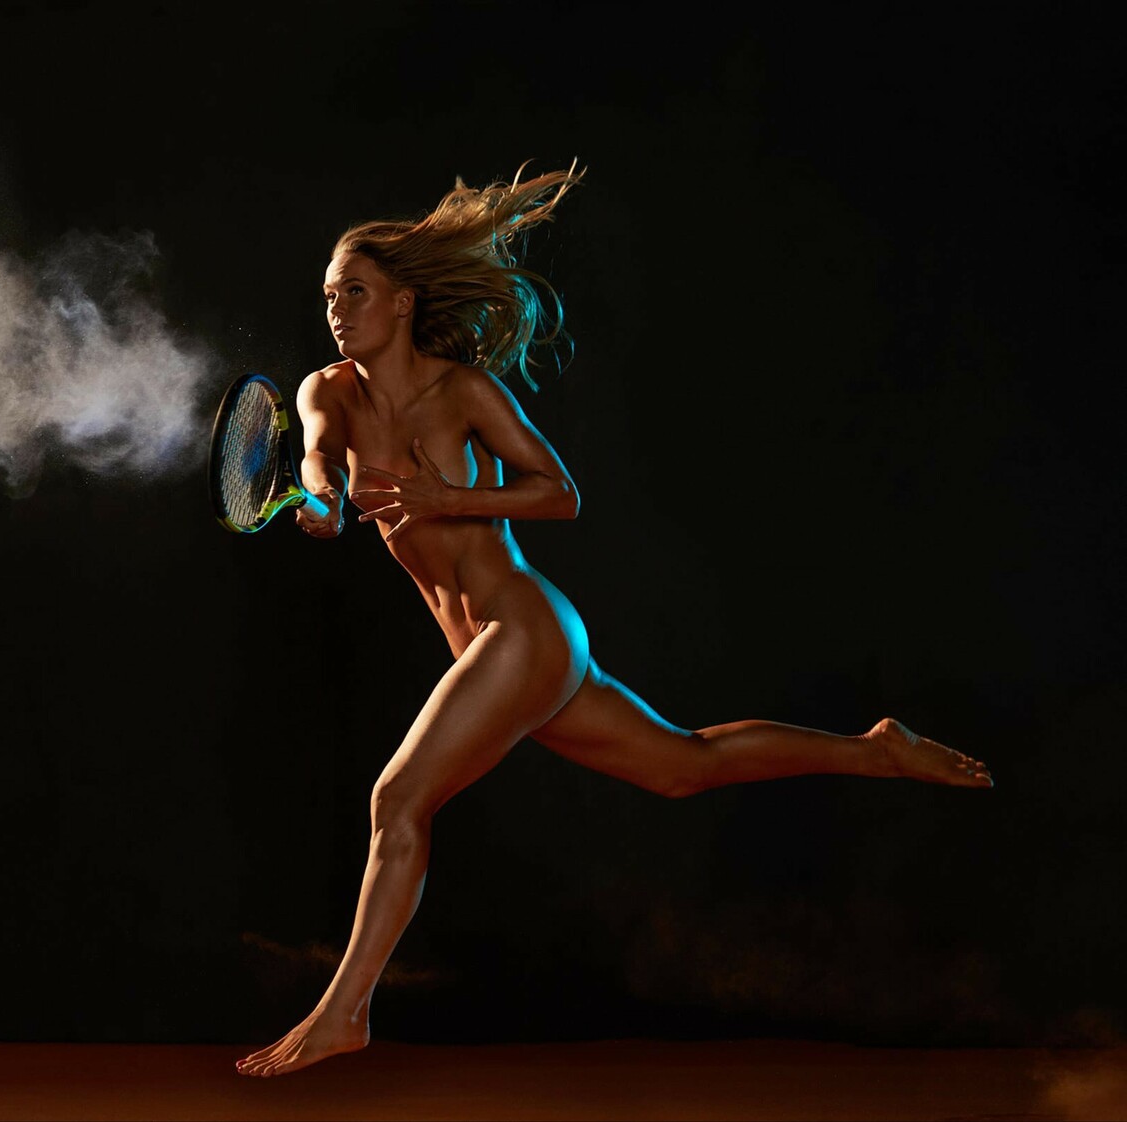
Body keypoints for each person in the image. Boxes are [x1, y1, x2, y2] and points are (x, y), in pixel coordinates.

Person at [233, 166, 994, 1078]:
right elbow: (318, 459)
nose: (336, 310)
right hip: (494, 654)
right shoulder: (327, 392)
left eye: (354, 292)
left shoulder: (464, 393)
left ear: (402, 301)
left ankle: (344, 1013)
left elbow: (561, 493)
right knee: (681, 766)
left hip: (527, 631)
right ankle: (875, 750)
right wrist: (321, 500)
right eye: (328, 295)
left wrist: (448, 498)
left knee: (397, 801)